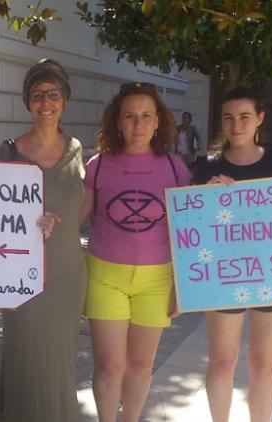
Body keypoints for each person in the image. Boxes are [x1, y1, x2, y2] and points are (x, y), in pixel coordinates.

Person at [81, 82, 191, 422]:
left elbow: (186, 232)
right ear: (117, 122)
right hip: (105, 276)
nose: (138, 124)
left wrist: (183, 287)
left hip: (157, 280)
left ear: (158, 121)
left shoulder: (175, 168)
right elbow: (75, 217)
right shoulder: (98, 165)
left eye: (146, 116)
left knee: (141, 365)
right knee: (109, 366)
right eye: (130, 116)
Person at [0, 59, 87, 422]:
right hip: (22, 276)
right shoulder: (10, 151)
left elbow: (84, 208)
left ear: (64, 99)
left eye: (53, 94)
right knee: (23, 356)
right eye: (37, 96)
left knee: (59, 362)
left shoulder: (78, 150)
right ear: (27, 101)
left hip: (66, 274)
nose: (45, 103)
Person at [192, 87, 272, 422]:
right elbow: (190, 227)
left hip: (271, 272)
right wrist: (204, 198)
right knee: (222, 362)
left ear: (259, 118)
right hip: (223, 271)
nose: (236, 125)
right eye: (229, 118)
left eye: (245, 116)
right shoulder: (205, 167)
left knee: (265, 364)